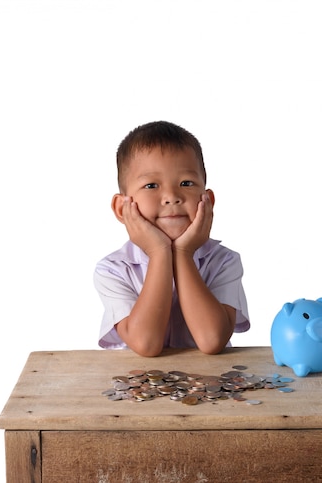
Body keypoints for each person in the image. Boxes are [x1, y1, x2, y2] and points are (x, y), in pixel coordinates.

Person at [94, 120, 250, 357]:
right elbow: (146, 344)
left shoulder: (224, 262)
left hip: (208, 385)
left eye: (186, 183)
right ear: (121, 208)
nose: (171, 196)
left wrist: (183, 253)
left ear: (208, 201)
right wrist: (159, 252)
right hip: (141, 387)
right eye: (151, 185)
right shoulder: (113, 270)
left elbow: (211, 340)